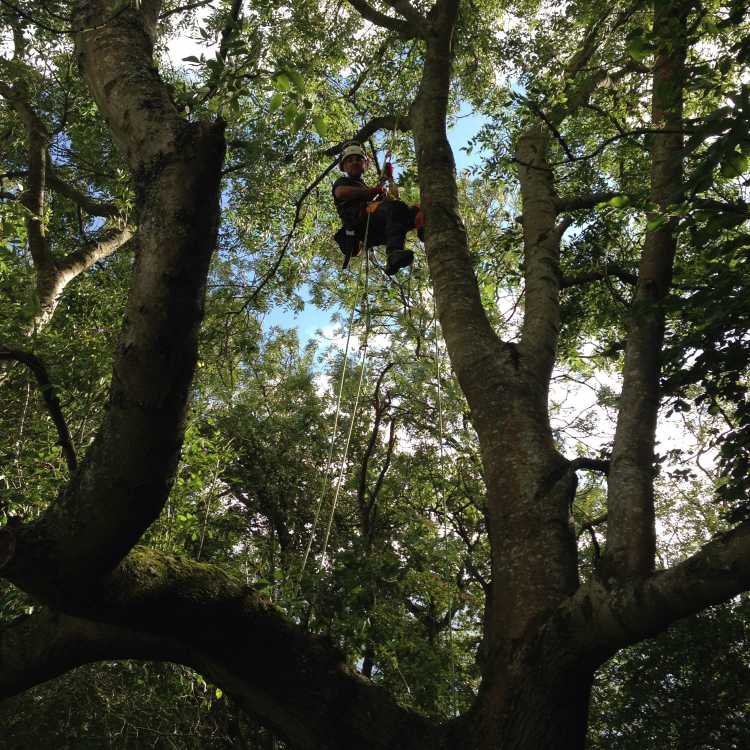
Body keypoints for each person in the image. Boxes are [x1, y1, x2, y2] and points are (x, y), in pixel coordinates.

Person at [332, 142, 422, 275]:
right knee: (394, 207)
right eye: (350, 160)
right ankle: (393, 253)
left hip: (380, 228)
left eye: (359, 159)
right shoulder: (343, 182)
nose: (355, 162)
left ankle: (424, 230)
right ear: (343, 167)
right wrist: (373, 191)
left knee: (415, 209)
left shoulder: (365, 188)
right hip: (361, 226)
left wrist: (389, 179)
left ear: (365, 164)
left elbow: (393, 200)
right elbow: (340, 192)